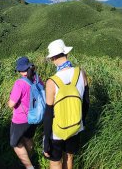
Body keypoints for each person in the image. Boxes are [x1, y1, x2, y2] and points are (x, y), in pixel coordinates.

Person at [43, 39, 90, 169]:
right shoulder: (81, 73)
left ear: (52, 59)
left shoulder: (52, 82)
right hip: (75, 126)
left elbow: (48, 114)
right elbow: (86, 102)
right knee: (69, 157)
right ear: (66, 54)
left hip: (57, 130)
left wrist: (46, 139)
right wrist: (82, 122)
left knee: (55, 161)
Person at [8, 56, 43, 169]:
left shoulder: (20, 83)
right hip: (35, 116)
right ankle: (30, 158)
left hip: (20, 120)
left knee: (15, 143)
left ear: (19, 70)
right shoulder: (37, 78)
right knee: (28, 138)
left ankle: (29, 167)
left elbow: (11, 104)